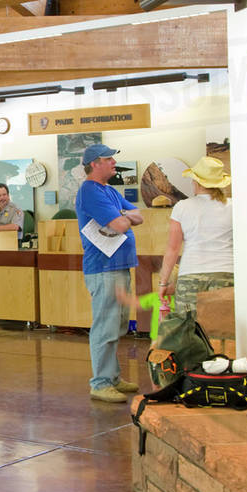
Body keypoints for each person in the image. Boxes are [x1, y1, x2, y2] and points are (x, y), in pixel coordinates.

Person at [76, 144, 144, 404]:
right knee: (105, 326)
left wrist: (124, 214)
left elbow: (139, 216)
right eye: (109, 159)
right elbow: (119, 224)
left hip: (118, 266)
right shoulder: (90, 192)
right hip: (103, 269)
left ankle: (112, 377)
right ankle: (101, 382)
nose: (114, 162)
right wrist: (124, 217)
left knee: (116, 324)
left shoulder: (110, 192)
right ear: (95, 163)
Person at [157, 156, 234, 328]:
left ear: (197, 182)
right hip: (226, 273)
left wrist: (164, 282)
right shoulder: (233, 207)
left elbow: (173, 248)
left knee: (188, 332)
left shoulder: (182, 207)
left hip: (190, 275)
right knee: (221, 330)